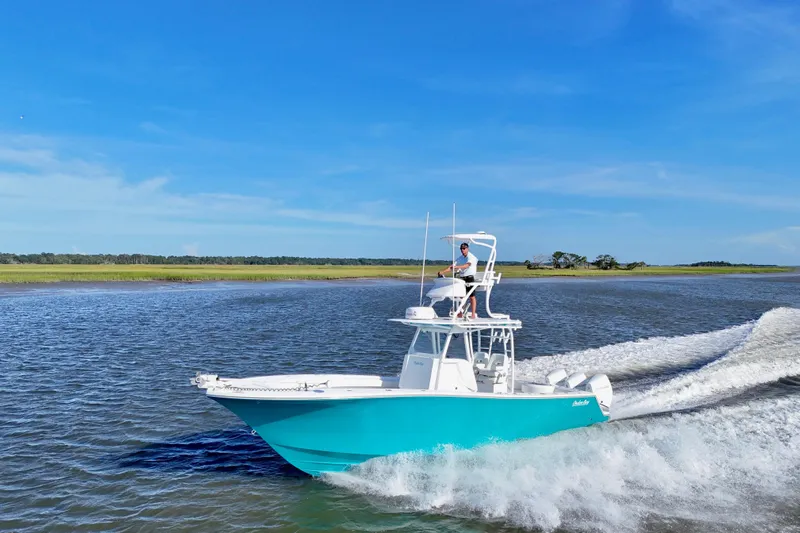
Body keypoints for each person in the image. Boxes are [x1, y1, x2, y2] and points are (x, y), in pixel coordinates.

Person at [437, 242, 478, 319]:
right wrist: (443, 272)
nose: (462, 250)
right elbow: (452, 267)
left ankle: (473, 314)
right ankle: (460, 312)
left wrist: (457, 267)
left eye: (464, 248)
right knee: (461, 296)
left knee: (472, 297)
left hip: (470, 278)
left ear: (467, 249)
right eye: (461, 249)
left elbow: (467, 265)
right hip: (462, 279)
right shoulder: (460, 258)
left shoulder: (471, 257)